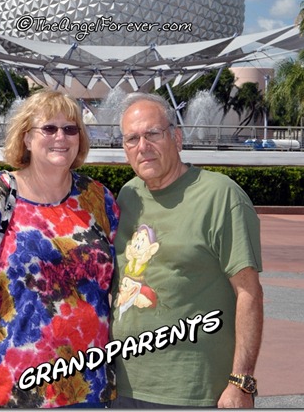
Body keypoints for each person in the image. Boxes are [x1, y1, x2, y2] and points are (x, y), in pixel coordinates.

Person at [0, 89, 119, 408]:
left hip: (90, 384)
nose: (60, 137)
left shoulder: (98, 198)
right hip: (15, 387)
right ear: (26, 138)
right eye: (49, 128)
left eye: (70, 128)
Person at [110, 92, 263, 408]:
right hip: (124, 385)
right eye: (132, 139)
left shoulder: (220, 196)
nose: (143, 147)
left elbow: (249, 293)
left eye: (153, 134)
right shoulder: (128, 195)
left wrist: (241, 382)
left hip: (193, 390)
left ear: (176, 138)